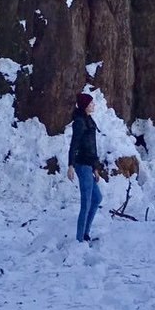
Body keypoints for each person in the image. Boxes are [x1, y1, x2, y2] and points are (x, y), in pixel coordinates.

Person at [67, 92, 103, 243]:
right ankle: (80, 238)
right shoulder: (80, 122)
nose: (93, 105)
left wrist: (95, 167)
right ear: (85, 106)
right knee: (86, 202)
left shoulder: (89, 120)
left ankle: (85, 233)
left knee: (97, 198)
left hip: (89, 165)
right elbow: (74, 144)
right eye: (91, 103)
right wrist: (71, 165)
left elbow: (91, 147)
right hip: (82, 166)